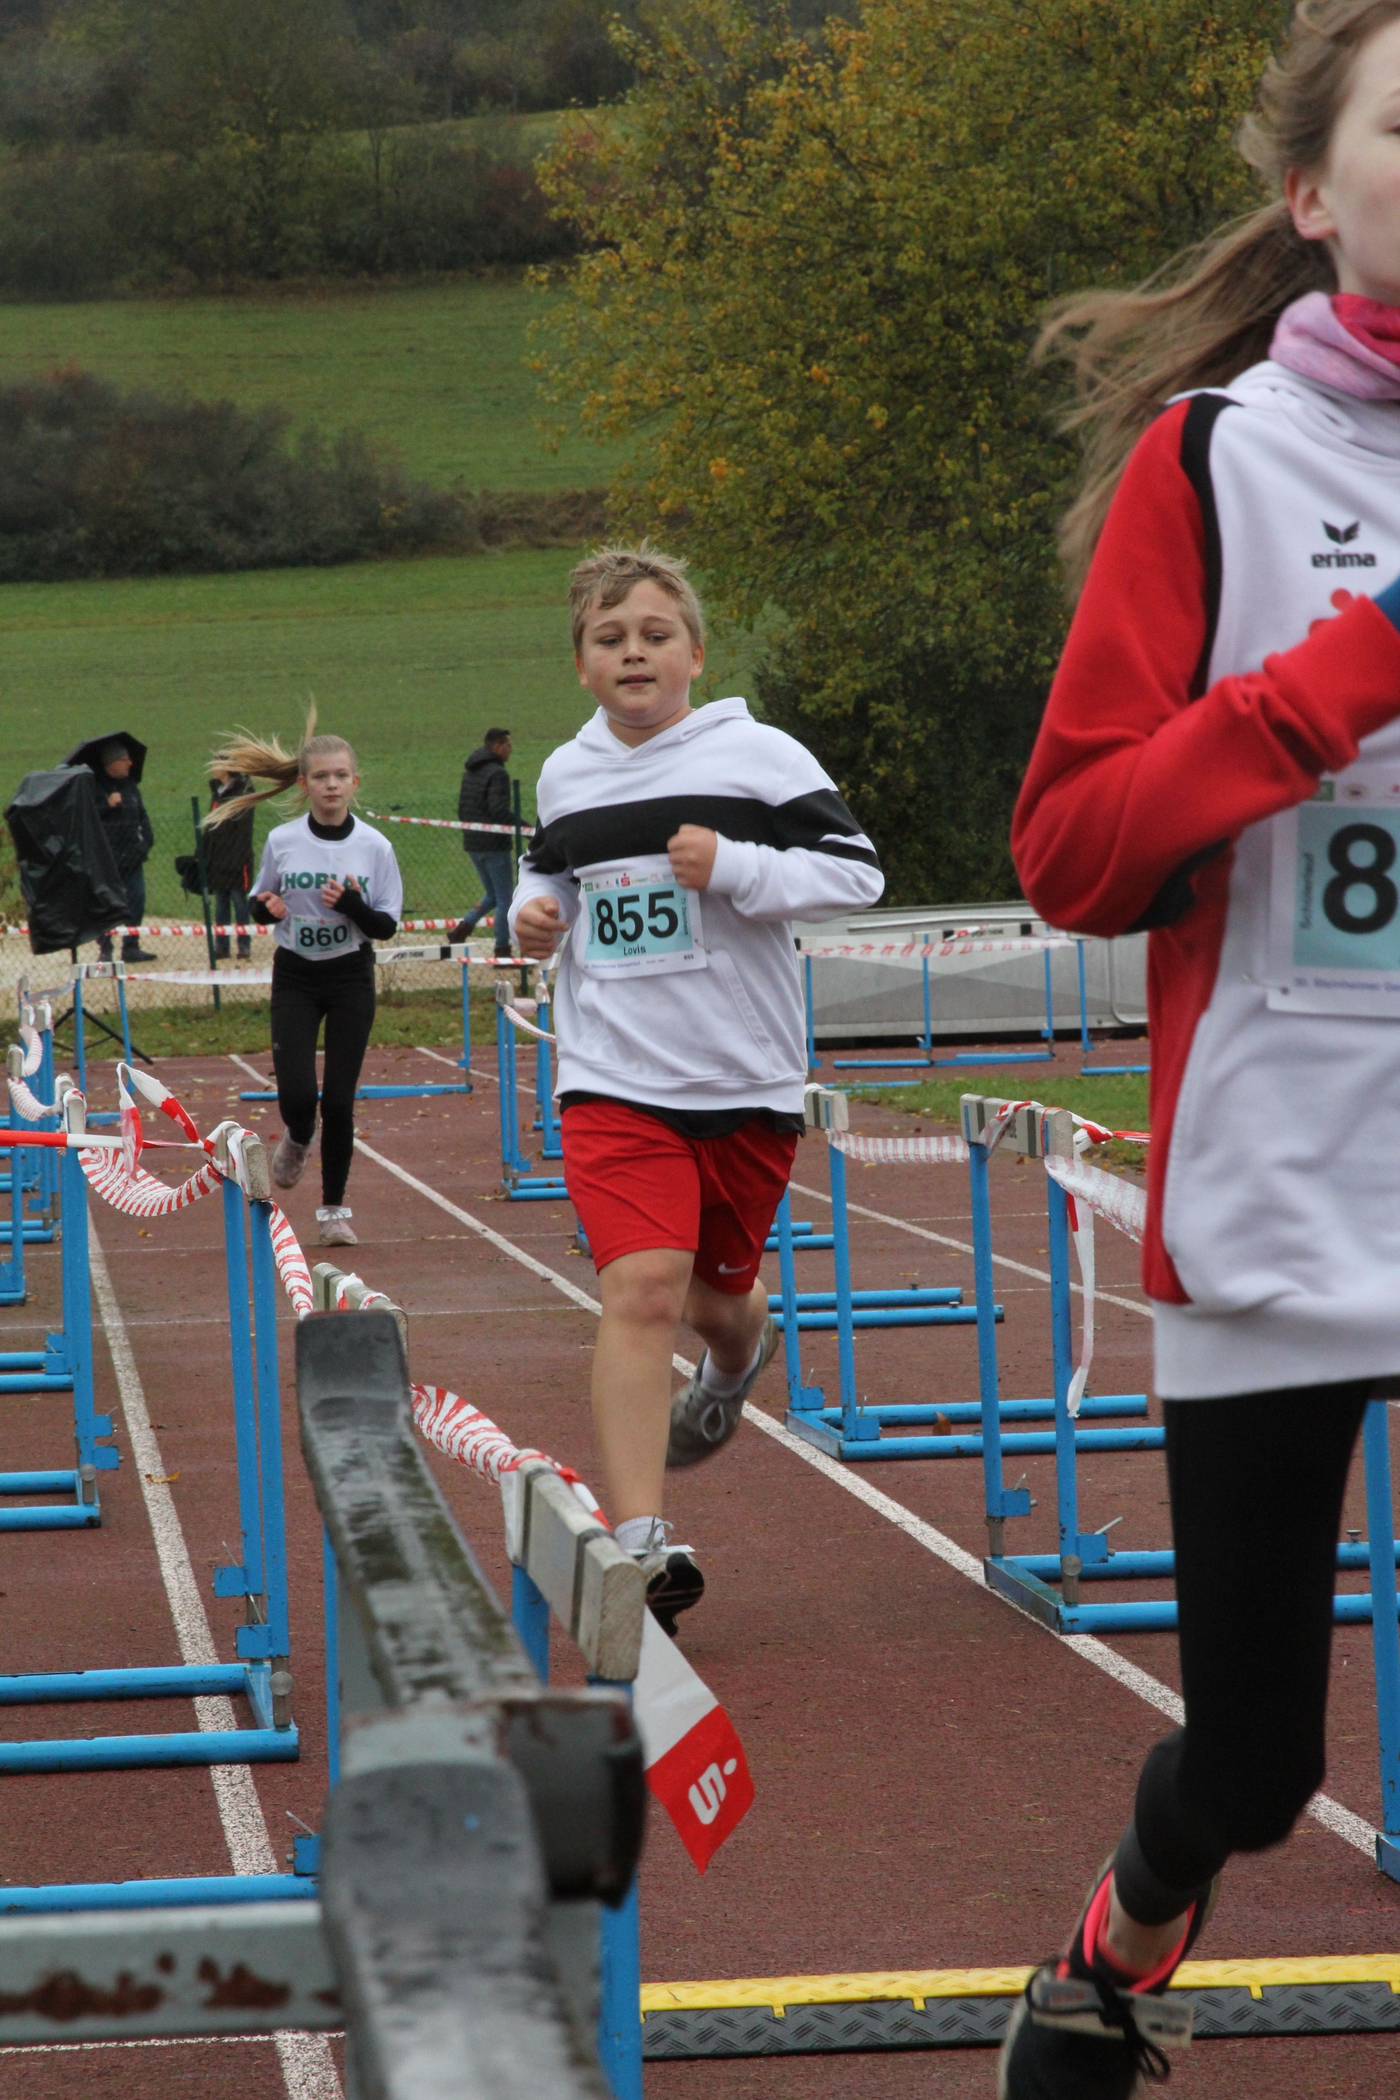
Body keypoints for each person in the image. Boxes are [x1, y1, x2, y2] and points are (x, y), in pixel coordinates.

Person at [1003, 4, 1400, 2092]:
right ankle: (1112, 1946)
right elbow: (1073, 849)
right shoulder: (1215, 461)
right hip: (1281, 1198)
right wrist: (1348, 679)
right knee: (1254, 1769)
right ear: (1313, 192)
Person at [511, 544, 884, 1630]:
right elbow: (551, 873)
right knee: (640, 1290)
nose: (633, 653)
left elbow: (858, 874)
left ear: (695, 654)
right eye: (609, 638)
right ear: (580, 664)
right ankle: (636, 1550)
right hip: (612, 1074)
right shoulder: (565, 773)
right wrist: (532, 915)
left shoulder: (756, 755)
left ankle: (732, 1358)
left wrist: (737, 866)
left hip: (744, 1076)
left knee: (716, 1300)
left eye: (654, 634)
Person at [206, 712, 403, 1249]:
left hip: (350, 976)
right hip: (295, 975)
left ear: (354, 782)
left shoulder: (375, 847)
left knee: (338, 1100)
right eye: (321, 777)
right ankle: (298, 1133)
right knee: (298, 1094)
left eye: (340, 776)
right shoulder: (283, 840)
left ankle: (334, 1211)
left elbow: (385, 926)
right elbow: (260, 902)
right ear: (303, 784)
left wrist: (353, 904)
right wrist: (266, 909)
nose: (331, 785)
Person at [448, 728, 516, 957]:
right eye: (508, 745)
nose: (511, 749)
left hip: (473, 842)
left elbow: (462, 808)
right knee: (505, 898)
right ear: (497, 747)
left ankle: (462, 928)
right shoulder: (498, 774)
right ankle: (502, 948)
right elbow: (499, 811)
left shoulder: (470, 772)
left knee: (493, 895)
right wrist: (525, 829)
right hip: (494, 845)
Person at [92, 741, 154, 964]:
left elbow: (143, 816)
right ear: (112, 763)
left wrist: (146, 842)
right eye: (125, 759)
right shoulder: (95, 787)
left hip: (132, 857)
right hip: (106, 860)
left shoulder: (131, 786)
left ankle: (131, 946)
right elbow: (86, 818)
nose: (130, 763)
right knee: (106, 903)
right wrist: (107, 805)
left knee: (137, 899)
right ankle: (105, 948)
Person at [205, 767, 254, 961]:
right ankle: (221, 946)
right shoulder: (217, 792)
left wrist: (237, 857)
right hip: (217, 858)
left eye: (216, 765)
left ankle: (244, 946)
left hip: (236, 859)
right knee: (221, 903)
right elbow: (210, 825)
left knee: (239, 901)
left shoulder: (242, 792)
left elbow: (243, 830)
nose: (212, 769)